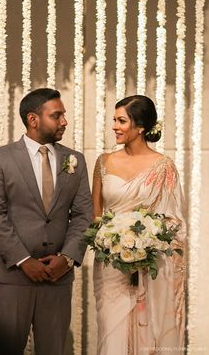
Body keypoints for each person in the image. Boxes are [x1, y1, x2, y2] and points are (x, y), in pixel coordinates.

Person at [0, 88, 93, 355]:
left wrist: (66, 259)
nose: (64, 121)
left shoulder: (74, 160)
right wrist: (24, 260)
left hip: (58, 277)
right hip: (12, 276)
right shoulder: (0, 159)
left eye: (63, 115)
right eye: (57, 115)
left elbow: (83, 215)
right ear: (33, 119)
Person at [92, 95, 186, 355]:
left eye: (122, 121)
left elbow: (174, 221)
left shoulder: (163, 167)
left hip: (151, 266)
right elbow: (96, 216)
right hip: (110, 266)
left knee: (149, 335)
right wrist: (111, 241)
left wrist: (146, 245)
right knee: (111, 337)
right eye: (114, 120)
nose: (115, 126)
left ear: (141, 127)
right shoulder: (103, 162)